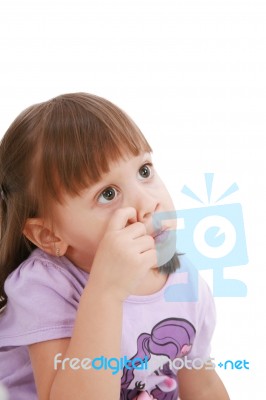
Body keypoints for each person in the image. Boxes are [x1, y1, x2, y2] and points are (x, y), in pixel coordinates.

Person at [0, 93, 229, 400]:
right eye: (108, 194)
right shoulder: (44, 286)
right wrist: (106, 292)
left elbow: (202, 387)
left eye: (144, 171)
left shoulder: (183, 281)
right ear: (49, 236)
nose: (149, 203)